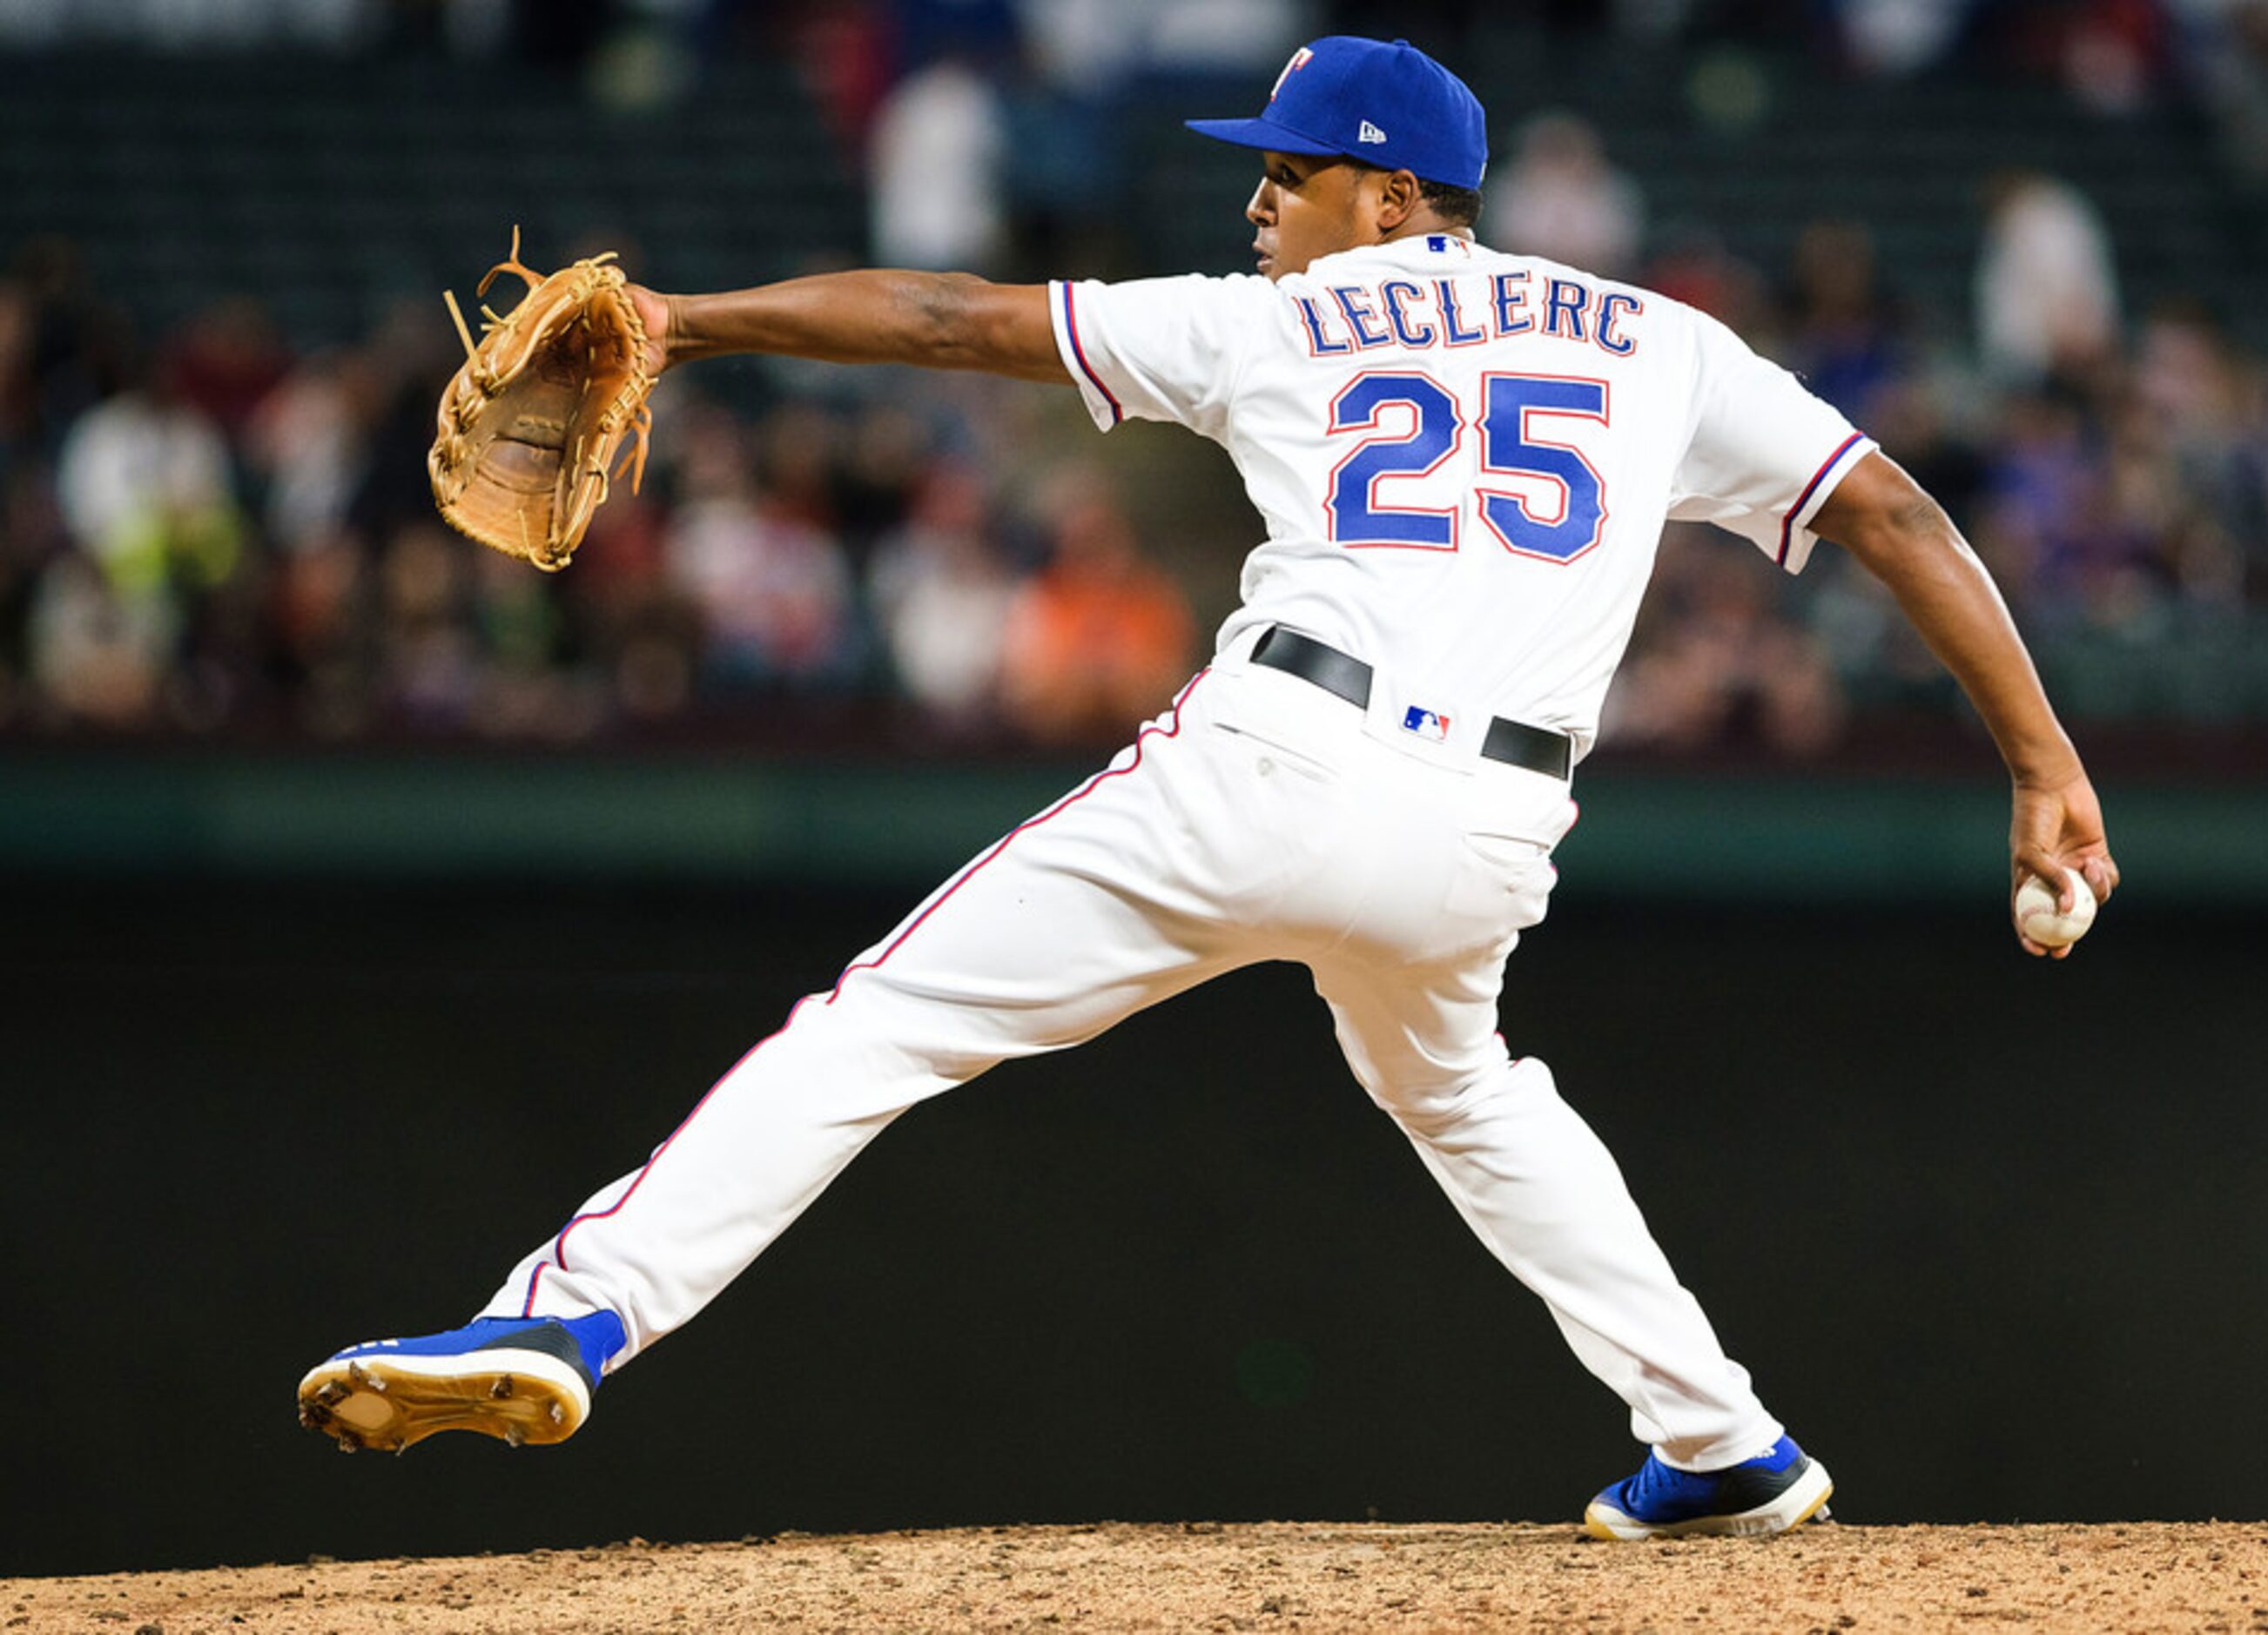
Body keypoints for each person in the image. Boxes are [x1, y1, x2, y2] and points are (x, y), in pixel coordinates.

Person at [299, 36, 2119, 1540]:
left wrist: (693, 320)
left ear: (1392, 197)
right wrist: (2041, 765)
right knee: (1465, 1087)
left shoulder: (1281, 328)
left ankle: (565, 1317)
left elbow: (950, 319)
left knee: (881, 1026)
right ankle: (1722, 1444)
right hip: (1489, 833)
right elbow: (1886, 506)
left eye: (1290, 171)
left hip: (1271, 763)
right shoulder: (1657, 344)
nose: (1256, 201)